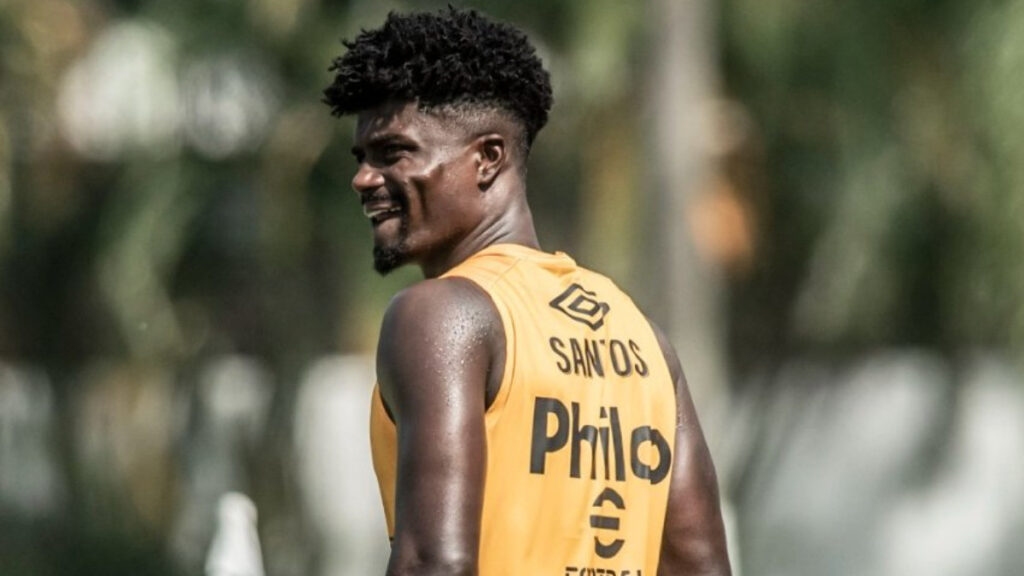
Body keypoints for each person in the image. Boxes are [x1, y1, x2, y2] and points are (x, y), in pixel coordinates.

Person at [323, 7, 731, 576]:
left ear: (488, 157)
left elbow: (433, 563)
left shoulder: (441, 315)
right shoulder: (643, 340)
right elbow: (700, 565)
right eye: (362, 159)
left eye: (393, 153)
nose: (364, 179)